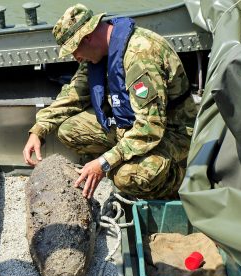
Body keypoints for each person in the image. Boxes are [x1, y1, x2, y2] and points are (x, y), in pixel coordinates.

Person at [22, 4, 197, 199]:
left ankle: (180, 176)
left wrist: (104, 162)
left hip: (171, 133)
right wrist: (39, 130)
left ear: (87, 37)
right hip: (129, 126)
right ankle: (120, 161)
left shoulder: (140, 57)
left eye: (74, 50)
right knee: (69, 131)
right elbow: (74, 94)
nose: (76, 58)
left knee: (126, 177)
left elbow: (150, 128)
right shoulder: (98, 54)